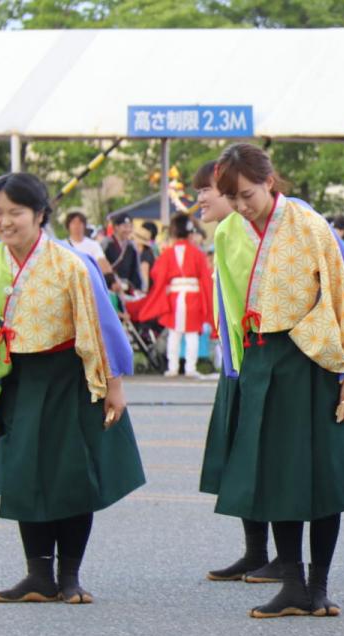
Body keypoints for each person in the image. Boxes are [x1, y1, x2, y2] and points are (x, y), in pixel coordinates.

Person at [212, 143, 344, 618]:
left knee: (323, 476)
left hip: (313, 359)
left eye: (248, 194)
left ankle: (319, 587)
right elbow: (230, 305)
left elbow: (342, 298)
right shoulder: (229, 234)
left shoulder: (309, 225)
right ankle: (292, 583)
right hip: (263, 359)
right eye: (234, 198)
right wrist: (241, 368)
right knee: (275, 475)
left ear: (270, 181)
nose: (244, 206)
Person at [0, 172, 145, 605]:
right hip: (20, 378)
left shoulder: (71, 263)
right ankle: (38, 576)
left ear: (40, 215)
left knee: (71, 477)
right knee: (25, 476)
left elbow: (101, 325)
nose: (5, 222)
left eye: (16, 213)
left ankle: (70, 578)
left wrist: (114, 384)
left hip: (71, 375)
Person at [190, 161, 275, 581]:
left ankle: (288, 558)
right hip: (237, 365)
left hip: (269, 361)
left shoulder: (287, 227)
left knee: (276, 460)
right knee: (243, 461)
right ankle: (256, 551)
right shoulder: (226, 234)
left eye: (207, 189)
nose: (201, 198)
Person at [130, 212, 214, 377]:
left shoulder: (168, 252)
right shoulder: (197, 253)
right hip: (193, 297)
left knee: (174, 333)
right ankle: (190, 368)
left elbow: (157, 273)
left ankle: (172, 368)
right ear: (190, 233)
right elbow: (205, 276)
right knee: (191, 333)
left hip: (175, 297)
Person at [104, 212, 144, 291]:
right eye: (125, 227)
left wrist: (137, 288)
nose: (128, 230)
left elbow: (135, 269)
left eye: (130, 227)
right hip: (110, 287)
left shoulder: (131, 246)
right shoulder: (106, 243)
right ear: (116, 227)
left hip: (126, 287)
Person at [65, 211, 113, 275]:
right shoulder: (64, 246)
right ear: (68, 226)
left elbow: (101, 260)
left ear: (84, 225)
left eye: (80, 222)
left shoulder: (93, 244)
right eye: (73, 223)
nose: (77, 226)